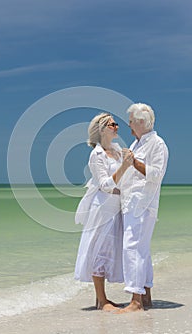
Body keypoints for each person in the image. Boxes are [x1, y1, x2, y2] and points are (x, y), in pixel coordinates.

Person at [74, 112, 134, 312]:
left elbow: (125, 180)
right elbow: (105, 184)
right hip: (103, 208)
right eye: (112, 124)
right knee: (98, 250)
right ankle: (101, 300)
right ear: (101, 130)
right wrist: (125, 167)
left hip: (119, 206)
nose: (117, 127)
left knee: (111, 249)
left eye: (116, 124)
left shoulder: (117, 150)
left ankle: (104, 299)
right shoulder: (96, 155)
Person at [118, 103, 169, 313]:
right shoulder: (137, 143)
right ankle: (145, 296)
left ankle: (135, 301)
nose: (128, 125)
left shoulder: (157, 144)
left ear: (140, 122)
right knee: (142, 250)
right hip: (131, 204)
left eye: (130, 121)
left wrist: (133, 162)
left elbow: (156, 174)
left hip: (143, 204)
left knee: (132, 248)